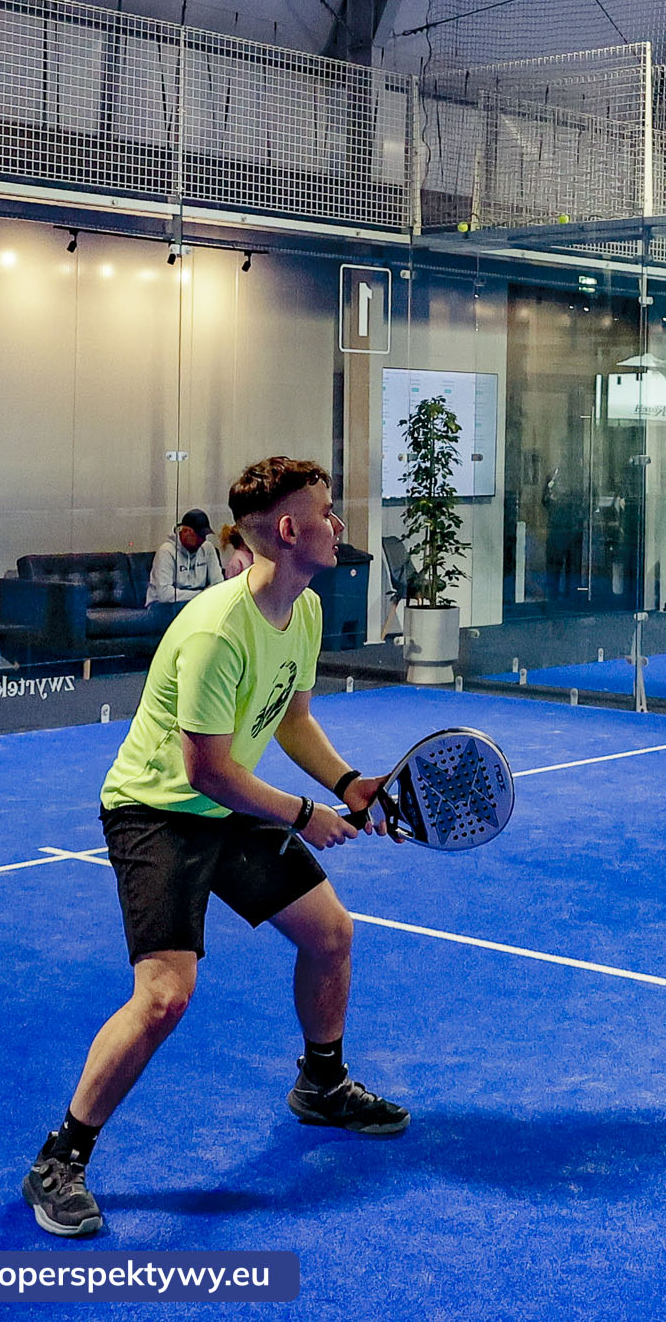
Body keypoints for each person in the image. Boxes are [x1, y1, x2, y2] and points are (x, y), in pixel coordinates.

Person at [22, 457, 407, 1239]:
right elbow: (207, 770)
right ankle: (59, 1158)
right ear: (289, 529)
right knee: (165, 995)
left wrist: (348, 781)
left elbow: (291, 717)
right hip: (157, 810)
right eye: (325, 512)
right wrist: (306, 813)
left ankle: (321, 1084)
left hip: (225, 805)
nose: (338, 525)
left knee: (330, 932)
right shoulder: (215, 629)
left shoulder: (303, 610)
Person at [148, 509, 225, 605]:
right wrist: (201, 595)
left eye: (204, 535)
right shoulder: (166, 551)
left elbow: (218, 584)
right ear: (185, 531)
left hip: (197, 601)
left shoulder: (207, 548)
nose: (202, 540)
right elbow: (164, 594)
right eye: (199, 535)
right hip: (165, 605)